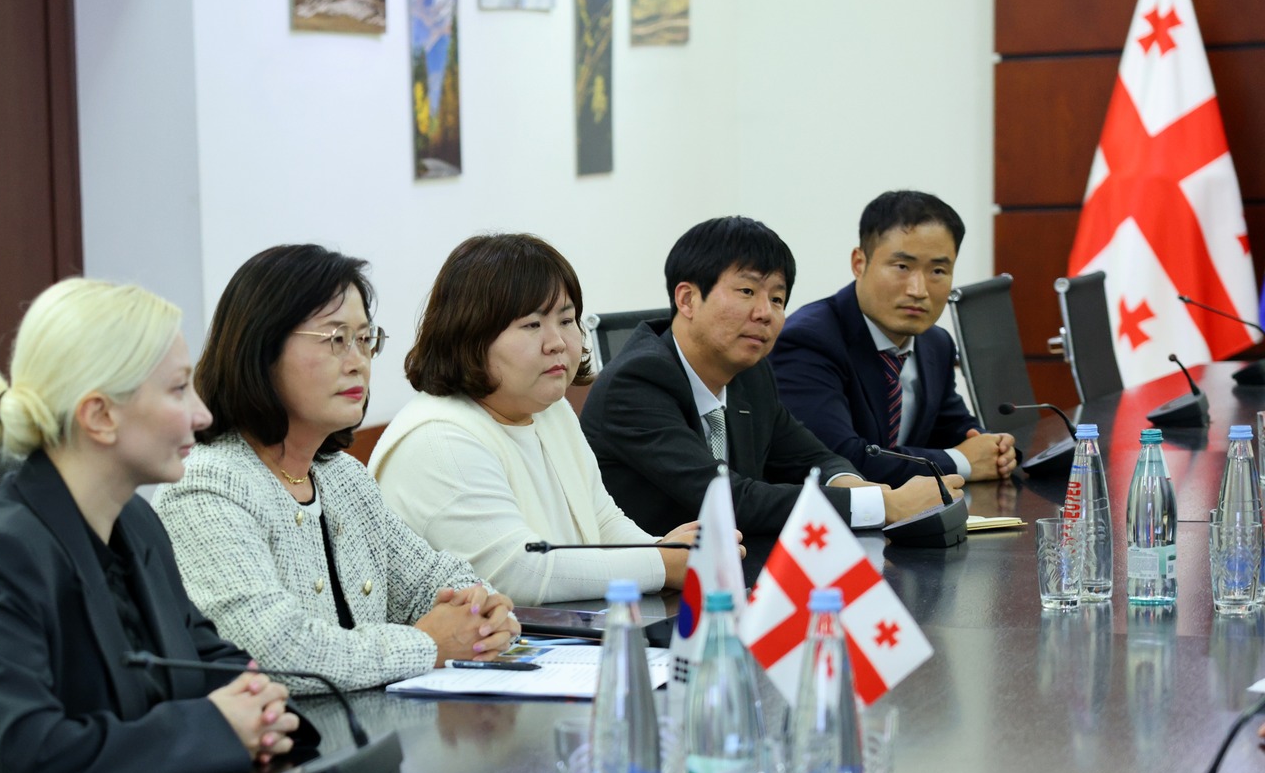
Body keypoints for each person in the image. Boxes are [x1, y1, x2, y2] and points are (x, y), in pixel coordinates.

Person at [0, 278, 303, 773]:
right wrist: (216, 729)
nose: (202, 415)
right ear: (100, 416)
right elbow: (21, 757)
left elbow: (206, 658)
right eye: (178, 389)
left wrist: (261, 707)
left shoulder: (137, 522)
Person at [155, 244, 519, 693]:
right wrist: (427, 644)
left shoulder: (342, 476)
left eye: (364, 340)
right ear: (261, 348)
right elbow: (273, 653)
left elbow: (433, 580)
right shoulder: (207, 485)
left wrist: (483, 612)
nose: (357, 363)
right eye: (335, 339)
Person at [371, 233, 713, 604]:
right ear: (469, 335)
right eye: (532, 325)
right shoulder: (438, 440)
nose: (558, 342)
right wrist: (662, 563)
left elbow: (601, 522)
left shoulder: (550, 410)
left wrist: (672, 553)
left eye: (566, 320)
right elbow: (519, 573)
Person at [581, 216, 963, 536]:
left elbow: (814, 458)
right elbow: (731, 500)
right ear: (687, 299)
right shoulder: (636, 383)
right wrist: (883, 505)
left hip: (737, 572)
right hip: (647, 590)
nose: (765, 313)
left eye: (777, 299)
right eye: (747, 291)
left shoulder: (751, 373)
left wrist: (855, 487)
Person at [771, 190, 1017, 486]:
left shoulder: (935, 343)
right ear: (859, 263)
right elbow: (839, 460)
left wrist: (995, 449)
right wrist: (961, 462)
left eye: (938, 270)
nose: (918, 290)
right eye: (902, 267)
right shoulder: (808, 340)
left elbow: (953, 428)